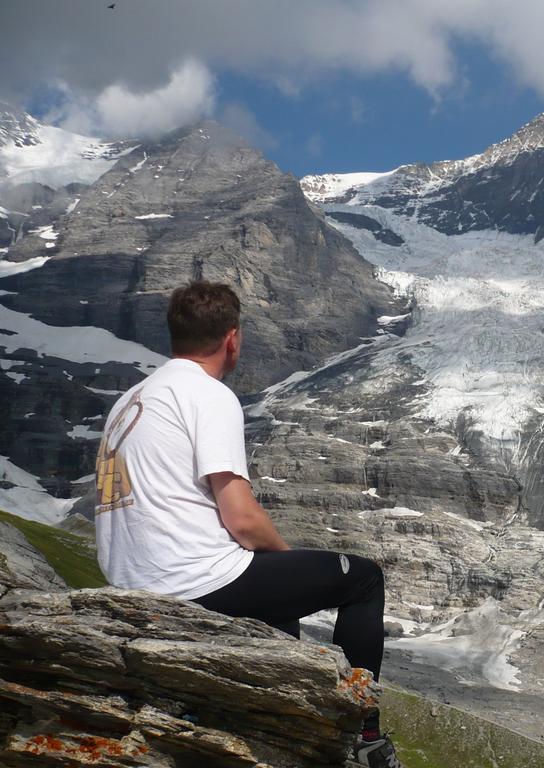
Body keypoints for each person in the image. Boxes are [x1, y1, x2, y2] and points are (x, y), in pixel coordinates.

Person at [94, 280, 402, 768]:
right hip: (192, 581)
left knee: (277, 603)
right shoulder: (206, 394)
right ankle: (364, 737)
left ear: (173, 335)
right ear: (232, 338)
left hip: (130, 580)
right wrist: (284, 558)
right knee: (362, 579)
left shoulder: (130, 401)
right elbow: (240, 516)